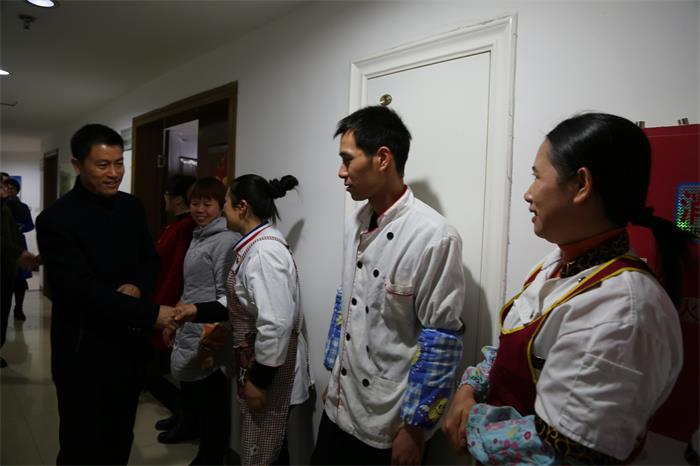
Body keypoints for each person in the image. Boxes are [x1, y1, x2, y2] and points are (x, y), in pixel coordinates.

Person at [442, 113, 688, 464]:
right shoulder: (557, 262)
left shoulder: (621, 310)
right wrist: (470, 387)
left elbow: (563, 450)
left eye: (537, 176)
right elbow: (512, 355)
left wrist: (470, 425)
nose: (527, 193)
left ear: (581, 184)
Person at [310, 106, 466, 465]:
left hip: (390, 420)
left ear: (382, 158)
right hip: (339, 405)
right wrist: (335, 374)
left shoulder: (434, 236)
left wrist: (415, 429)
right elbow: (346, 302)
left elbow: (441, 340)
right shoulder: (354, 221)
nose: (341, 172)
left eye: (347, 160)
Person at [36, 123, 177, 465]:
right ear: (77, 164)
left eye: (119, 163)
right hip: (83, 350)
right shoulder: (56, 219)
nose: (114, 173)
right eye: (103, 165)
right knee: (82, 444)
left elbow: (149, 258)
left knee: (120, 436)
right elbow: (79, 291)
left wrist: (138, 285)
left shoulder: (132, 207)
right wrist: (152, 314)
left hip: (129, 346)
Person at [176, 173, 312, 465]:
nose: (223, 208)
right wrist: (196, 310)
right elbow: (243, 300)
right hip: (259, 361)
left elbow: (275, 324)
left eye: (225, 202)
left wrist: (259, 382)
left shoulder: (264, 253)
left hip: (270, 370)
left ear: (242, 207)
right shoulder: (254, 245)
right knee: (267, 447)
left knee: (268, 451)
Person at [163, 176, 239, 464]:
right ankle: (201, 443)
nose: (200, 210)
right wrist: (175, 320)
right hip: (191, 326)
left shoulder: (225, 241)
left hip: (210, 333)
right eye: (195, 203)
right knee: (197, 395)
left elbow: (226, 297)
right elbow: (192, 287)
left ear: (221, 206)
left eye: (208, 204)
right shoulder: (199, 236)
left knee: (212, 402)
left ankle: (211, 456)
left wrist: (212, 337)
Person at [149, 174, 197, 435]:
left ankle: (187, 419)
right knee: (176, 364)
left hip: (175, 304)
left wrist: (161, 307)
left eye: (167, 194)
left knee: (181, 365)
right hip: (167, 300)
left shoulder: (185, 227)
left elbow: (177, 271)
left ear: (178, 199)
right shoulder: (176, 226)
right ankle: (182, 414)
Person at [0, 184, 38, 368]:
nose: (5, 189)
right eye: (2, 185)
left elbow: (20, 230)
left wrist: (19, 253)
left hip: (9, 263)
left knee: (14, 291)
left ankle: (19, 308)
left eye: (7, 186)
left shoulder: (9, 208)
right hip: (9, 258)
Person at [2, 177, 35, 321]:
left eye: (12, 188)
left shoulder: (22, 206)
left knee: (20, 280)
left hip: (18, 244)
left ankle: (19, 308)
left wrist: (19, 228)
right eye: (7, 187)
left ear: (17, 191)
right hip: (4, 245)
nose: (9, 190)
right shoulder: (2, 205)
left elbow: (30, 225)